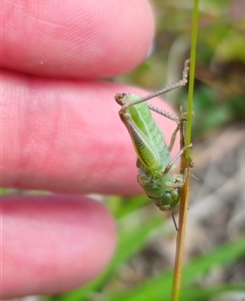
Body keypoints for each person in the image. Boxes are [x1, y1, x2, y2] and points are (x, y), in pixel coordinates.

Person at [1, 1, 177, 298]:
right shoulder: (162, 179)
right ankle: (173, 89)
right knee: (155, 150)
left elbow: (169, 152)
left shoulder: (158, 179)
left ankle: (162, 96)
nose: (169, 197)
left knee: (149, 147)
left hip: (149, 150)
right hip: (152, 152)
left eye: (164, 200)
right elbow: (171, 150)